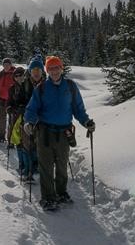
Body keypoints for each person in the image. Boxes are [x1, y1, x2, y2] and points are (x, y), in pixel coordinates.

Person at [24, 56, 95, 211]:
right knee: (46, 166)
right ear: (47, 71)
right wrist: (28, 122)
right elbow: (31, 109)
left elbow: (78, 109)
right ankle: (48, 198)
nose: (54, 71)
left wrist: (86, 122)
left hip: (64, 133)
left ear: (62, 69)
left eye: (57, 68)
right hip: (44, 133)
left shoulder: (70, 87)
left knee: (62, 165)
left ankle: (61, 193)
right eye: (51, 69)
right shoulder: (41, 88)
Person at [7, 66, 36, 182]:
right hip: (15, 118)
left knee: (27, 144)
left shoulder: (29, 86)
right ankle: (22, 165)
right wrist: (9, 108)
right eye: (16, 76)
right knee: (18, 142)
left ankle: (29, 168)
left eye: (21, 75)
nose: (19, 77)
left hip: (26, 118)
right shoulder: (12, 89)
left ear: (24, 75)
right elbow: (9, 102)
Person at [0, 58, 15, 143]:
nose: (6, 66)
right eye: (4, 65)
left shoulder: (15, 73)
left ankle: (11, 138)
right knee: (1, 119)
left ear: (10, 65)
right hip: (1, 100)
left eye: (8, 64)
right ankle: (2, 135)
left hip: (12, 101)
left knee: (12, 120)